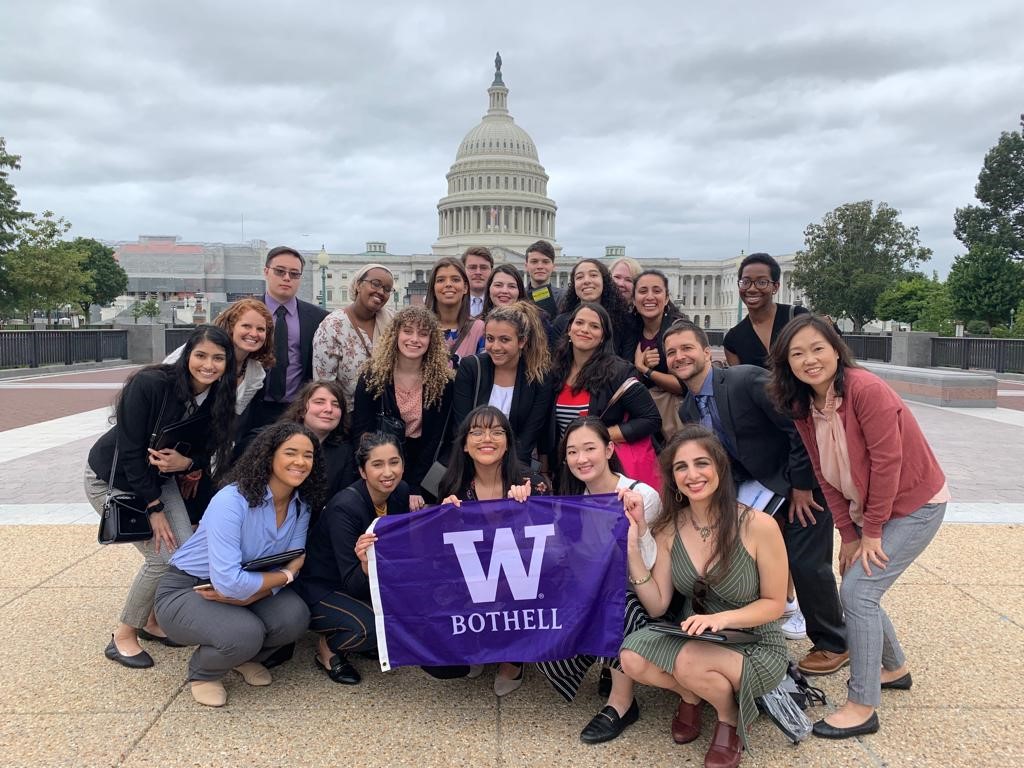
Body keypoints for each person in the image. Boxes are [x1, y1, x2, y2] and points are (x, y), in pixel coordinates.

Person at [768, 314, 949, 740]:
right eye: (797, 353)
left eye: (817, 348)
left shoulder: (865, 389)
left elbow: (888, 464)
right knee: (857, 580)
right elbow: (823, 472)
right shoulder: (803, 403)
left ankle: (862, 705)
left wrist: (870, 533)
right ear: (786, 363)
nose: (809, 359)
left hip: (915, 504)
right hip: (866, 509)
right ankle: (894, 667)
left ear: (835, 349)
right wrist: (849, 536)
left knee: (859, 591)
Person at [665, 320, 848, 676]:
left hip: (798, 486)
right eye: (671, 352)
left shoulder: (743, 379)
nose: (678, 356)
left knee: (807, 563)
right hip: (754, 491)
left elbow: (798, 425)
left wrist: (801, 486)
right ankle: (768, 621)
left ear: (706, 352)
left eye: (687, 348)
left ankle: (832, 643)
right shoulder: (688, 409)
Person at [620, 426, 788, 768]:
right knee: (631, 657)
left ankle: (729, 718)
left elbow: (775, 604)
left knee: (689, 661)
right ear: (672, 477)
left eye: (701, 463)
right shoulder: (669, 527)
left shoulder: (759, 525)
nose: (692, 475)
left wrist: (719, 619)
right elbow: (657, 604)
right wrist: (635, 541)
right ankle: (690, 693)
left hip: (753, 640)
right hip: (696, 635)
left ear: (720, 468)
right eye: (681, 467)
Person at [85, 325, 237, 668]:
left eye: (218, 358)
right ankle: (124, 634)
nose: (208, 365)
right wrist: (154, 508)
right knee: (162, 557)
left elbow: (209, 452)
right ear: (187, 356)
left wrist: (188, 462)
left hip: (162, 480)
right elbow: (130, 450)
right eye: (200, 355)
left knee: (184, 554)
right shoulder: (151, 385)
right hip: (115, 478)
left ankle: (153, 622)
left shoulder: (219, 397)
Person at [153, 422, 324, 707]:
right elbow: (236, 580)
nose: (300, 462)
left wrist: (253, 594)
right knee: (245, 632)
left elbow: (294, 554)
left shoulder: (300, 504)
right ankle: (204, 673)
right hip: (189, 588)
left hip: (252, 582)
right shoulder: (232, 500)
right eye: (290, 453)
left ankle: (241, 658)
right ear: (269, 455)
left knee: (294, 617)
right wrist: (285, 576)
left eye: (308, 456)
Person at [537, 417, 660, 744]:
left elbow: (651, 565)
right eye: (573, 452)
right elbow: (563, 561)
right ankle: (606, 661)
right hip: (594, 592)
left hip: (640, 597)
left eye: (590, 448)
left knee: (615, 602)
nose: (582, 458)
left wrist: (640, 526)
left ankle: (622, 704)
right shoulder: (572, 503)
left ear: (608, 449)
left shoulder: (640, 495)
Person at [438, 405, 547, 695]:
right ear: (464, 444)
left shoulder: (532, 484)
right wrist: (446, 520)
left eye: (497, 432)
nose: (487, 438)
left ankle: (514, 659)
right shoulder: (453, 486)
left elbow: (553, 548)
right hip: (478, 580)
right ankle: (479, 643)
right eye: (477, 432)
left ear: (508, 442)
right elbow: (447, 556)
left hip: (523, 580)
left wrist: (527, 512)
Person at [294, 432, 410, 686]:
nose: (388, 472)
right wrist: (368, 566)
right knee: (372, 629)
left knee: (409, 613)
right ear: (362, 471)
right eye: (377, 465)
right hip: (322, 587)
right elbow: (352, 582)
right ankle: (328, 648)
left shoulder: (400, 492)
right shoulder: (345, 507)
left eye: (394, 462)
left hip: (364, 581)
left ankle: (362, 634)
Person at [352, 305, 455, 510]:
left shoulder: (443, 383)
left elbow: (437, 440)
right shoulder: (373, 377)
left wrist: (416, 487)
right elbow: (362, 432)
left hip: (425, 466)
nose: (414, 339)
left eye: (423, 334)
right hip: (383, 461)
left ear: (431, 340)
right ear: (395, 334)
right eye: (407, 331)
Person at [549, 302, 661, 486]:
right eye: (579, 323)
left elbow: (651, 419)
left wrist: (599, 437)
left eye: (594, 326)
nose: (585, 329)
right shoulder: (555, 372)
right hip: (567, 472)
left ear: (603, 337)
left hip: (606, 471)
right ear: (569, 329)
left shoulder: (619, 372)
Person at [451, 301, 552, 466]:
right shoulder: (471, 368)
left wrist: (509, 472)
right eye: (490, 339)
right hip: (472, 463)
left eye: (504, 339)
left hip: (516, 465)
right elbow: (462, 426)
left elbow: (530, 433)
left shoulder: (540, 377)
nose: (495, 347)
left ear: (522, 342)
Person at [251, 245, 329, 430]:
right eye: (280, 271)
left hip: (297, 410)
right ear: (266, 272)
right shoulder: (245, 312)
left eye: (294, 274)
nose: (287, 278)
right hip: (252, 408)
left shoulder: (319, 318)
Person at [165, 298, 275, 417]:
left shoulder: (255, 374)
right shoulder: (196, 349)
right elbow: (162, 386)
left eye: (261, 329)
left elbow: (233, 416)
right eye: (246, 326)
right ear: (231, 326)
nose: (254, 334)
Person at [312, 263, 396, 413]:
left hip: (386, 412)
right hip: (347, 416)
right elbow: (324, 384)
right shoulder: (333, 326)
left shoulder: (392, 322)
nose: (381, 292)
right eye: (375, 284)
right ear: (358, 285)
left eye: (387, 289)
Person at [624, 269, 687, 441]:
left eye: (657, 291)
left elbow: (686, 385)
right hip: (641, 419)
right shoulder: (629, 330)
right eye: (643, 291)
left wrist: (645, 370)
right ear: (634, 299)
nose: (649, 297)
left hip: (675, 419)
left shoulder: (679, 330)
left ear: (666, 298)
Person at [723, 253, 808, 369]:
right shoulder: (732, 340)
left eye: (762, 282)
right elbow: (740, 383)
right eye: (746, 282)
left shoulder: (798, 317)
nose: (752, 289)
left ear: (776, 287)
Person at [280, 380, 355, 505]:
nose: (329, 409)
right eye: (319, 402)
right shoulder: (277, 440)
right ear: (302, 409)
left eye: (336, 405)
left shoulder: (346, 453)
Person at [553, 259, 636, 360]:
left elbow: (628, 364)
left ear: (604, 281)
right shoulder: (561, 322)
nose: (586, 281)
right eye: (579, 277)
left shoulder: (625, 322)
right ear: (574, 285)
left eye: (593, 275)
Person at [425, 256, 484, 365]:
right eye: (441, 280)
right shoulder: (420, 328)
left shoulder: (479, 329)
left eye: (455, 279)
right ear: (433, 288)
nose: (448, 284)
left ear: (465, 287)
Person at [523, 239, 564, 320]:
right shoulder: (519, 297)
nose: (540, 266)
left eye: (545, 262)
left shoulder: (564, 298)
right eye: (534, 262)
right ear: (526, 266)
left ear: (553, 266)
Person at [461, 246, 494, 318]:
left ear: (492, 271)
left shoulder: (499, 304)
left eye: (483, 268)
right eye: (472, 267)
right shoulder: (454, 305)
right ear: (463, 270)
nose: (478, 272)